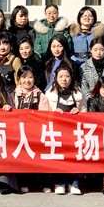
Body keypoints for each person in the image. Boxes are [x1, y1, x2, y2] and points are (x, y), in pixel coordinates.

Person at [41, 63, 84, 195]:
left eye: (67, 76)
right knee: (59, 157)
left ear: (71, 78)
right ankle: (59, 182)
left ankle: (74, 182)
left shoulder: (79, 94)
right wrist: (53, 113)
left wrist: (79, 112)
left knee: (74, 157)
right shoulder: (49, 94)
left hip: (74, 132)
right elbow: (43, 114)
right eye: (61, 76)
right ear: (56, 78)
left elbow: (86, 112)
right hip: (56, 131)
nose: (64, 79)